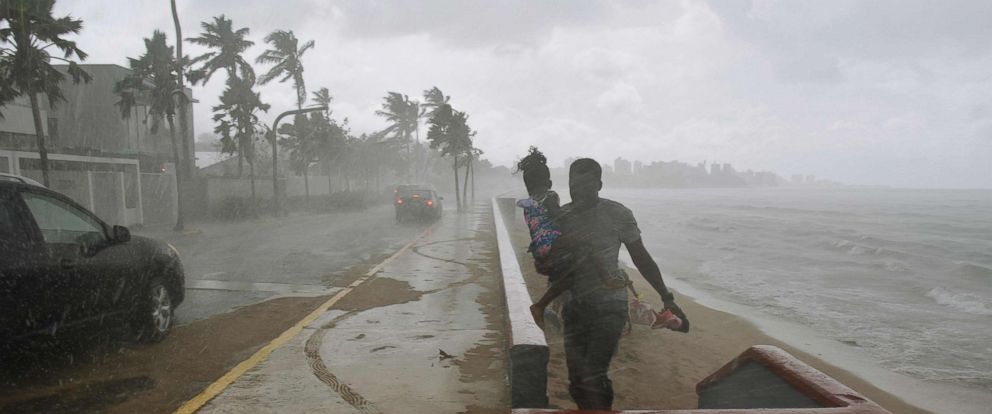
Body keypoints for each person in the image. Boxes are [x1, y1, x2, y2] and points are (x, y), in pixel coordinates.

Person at [556, 158, 690, 410]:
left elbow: (641, 258)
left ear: (599, 185)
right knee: (576, 381)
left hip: (610, 305)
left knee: (594, 374)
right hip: (575, 304)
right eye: (574, 185)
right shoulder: (562, 217)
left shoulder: (618, 213)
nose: (579, 191)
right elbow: (552, 263)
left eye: (586, 185)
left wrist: (666, 297)